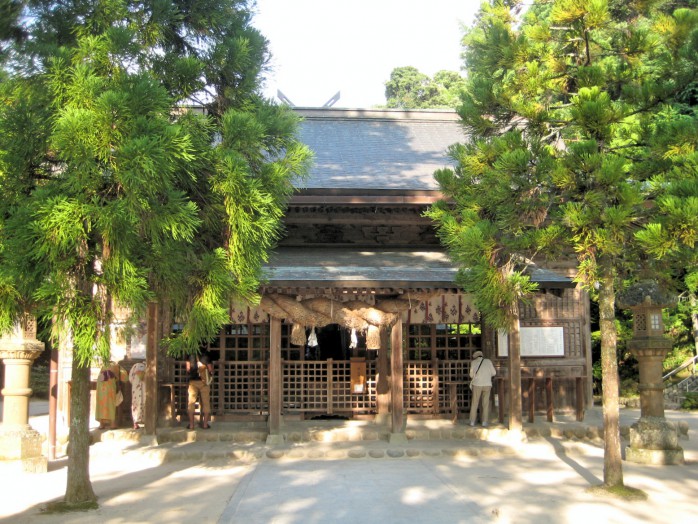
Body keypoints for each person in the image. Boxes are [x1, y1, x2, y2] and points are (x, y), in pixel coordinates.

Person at [186, 348, 214, 430]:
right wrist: (211, 373)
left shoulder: (190, 354)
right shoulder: (206, 354)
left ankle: (191, 425)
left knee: (191, 402)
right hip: (204, 382)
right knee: (206, 403)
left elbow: (187, 369)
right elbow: (210, 369)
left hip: (192, 381)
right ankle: (205, 425)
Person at [469, 350, 496, 427]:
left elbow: (471, 375)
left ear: (475, 357)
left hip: (477, 384)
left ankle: (472, 421)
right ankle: (484, 422)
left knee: (475, 403)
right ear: (481, 355)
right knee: (485, 403)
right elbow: (494, 373)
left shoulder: (473, 362)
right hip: (487, 384)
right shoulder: (488, 361)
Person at [95, 361, 126, 430]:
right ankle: (112, 424)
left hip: (100, 386)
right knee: (110, 404)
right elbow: (125, 377)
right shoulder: (117, 366)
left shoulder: (104, 366)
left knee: (101, 405)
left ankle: (101, 424)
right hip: (110, 387)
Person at [129, 361, 146, 430]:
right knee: (144, 402)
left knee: (135, 404)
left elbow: (130, 378)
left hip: (136, 388)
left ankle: (135, 423)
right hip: (144, 387)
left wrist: (134, 383)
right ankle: (145, 421)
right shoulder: (147, 367)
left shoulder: (134, 367)